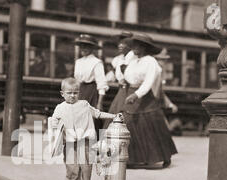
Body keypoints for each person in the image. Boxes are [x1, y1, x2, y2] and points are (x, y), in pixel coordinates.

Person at [51, 77, 117, 180]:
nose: (72, 96)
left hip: (86, 142)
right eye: (69, 93)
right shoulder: (60, 108)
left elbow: (97, 114)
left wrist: (113, 116)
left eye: (75, 92)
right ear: (62, 93)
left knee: (86, 168)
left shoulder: (84, 105)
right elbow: (54, 122)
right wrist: (54, 131)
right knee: (72, 168)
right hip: (70, 144)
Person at [122, 33, 178, 169]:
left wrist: (136, 95)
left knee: (152, 126)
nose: (135, 48)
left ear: (145, 48)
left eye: (138, 45)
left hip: (144, 96)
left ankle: (165, 156)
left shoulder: (150, 61)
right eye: (133, 45)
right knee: (131, 125)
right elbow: (126, 73)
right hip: (131, 92)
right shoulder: (133, 60)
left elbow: (148, 82)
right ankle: (133, 159)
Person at [74, 34, 109, 137]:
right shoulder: (78, 62)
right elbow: (77, 80)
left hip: (92, 92)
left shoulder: (97, 62)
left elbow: (101, 83)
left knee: (91, 120)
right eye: (82, 46)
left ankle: (93, 146)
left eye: (87, 46)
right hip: (80, 91)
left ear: (92, 48)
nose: (83, 48)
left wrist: (99, 102)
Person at [103, 32, 136, 128]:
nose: (120, 45)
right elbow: (113, 74)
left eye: (124, 43)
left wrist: (124, 79)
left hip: (129, 90)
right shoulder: (119, 58)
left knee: (121, 114)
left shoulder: (132, 57)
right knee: (114, 112)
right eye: (119, 43)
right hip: (122, 90)